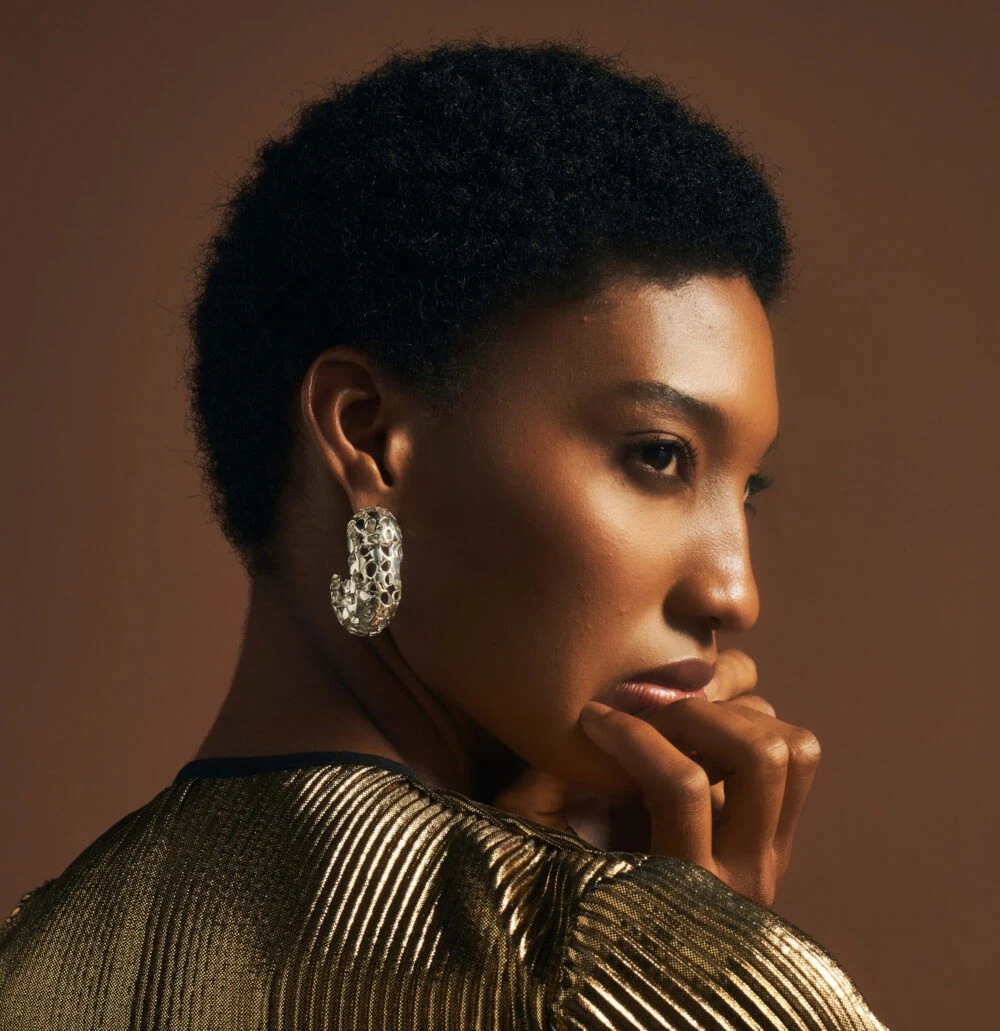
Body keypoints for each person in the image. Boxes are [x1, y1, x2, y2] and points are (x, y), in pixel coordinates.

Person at [0, 36, 889, 1030]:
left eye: (745, 487)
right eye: (658, 455)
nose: (734, 591)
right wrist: (696, 970)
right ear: (371, 435)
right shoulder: (613, 972)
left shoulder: (33, 956)